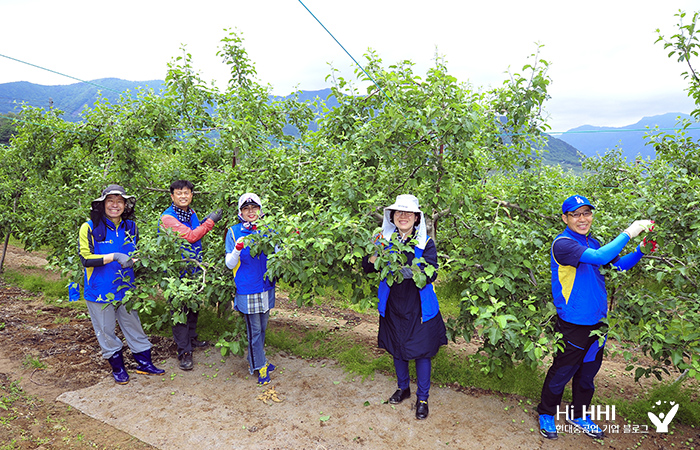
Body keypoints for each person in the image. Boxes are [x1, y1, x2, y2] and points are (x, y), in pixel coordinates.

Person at [537, 195, 656, 440]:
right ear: (565, 218)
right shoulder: (563, 243)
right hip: (573, 322)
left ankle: (579, 415)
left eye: (586, 213)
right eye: (575, 214)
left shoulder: (595, 242)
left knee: (588, 373)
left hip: (598, 322)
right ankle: (546, 412)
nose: (582, 219)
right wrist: (629, 231)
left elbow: (618, 265)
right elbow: (601, 257)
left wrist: (641, 250)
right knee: (563, 370)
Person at [361, 194, 447, 420]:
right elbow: (368, 267)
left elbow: (432, 273)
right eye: (399, 212)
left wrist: (403, 270)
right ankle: (403, 388)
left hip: (419, 306)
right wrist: (373, 252)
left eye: (409, 213)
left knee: (422, 353)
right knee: (397, 348)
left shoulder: (425, 243)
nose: (403, 217)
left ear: (417, 218)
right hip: (393, 303)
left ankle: (423, 398)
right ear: (392, 217)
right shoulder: (384, 240)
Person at [78, 184, 164, 384]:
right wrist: (114, 256)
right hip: (100, 290)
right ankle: (118, 368)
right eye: (111, 201)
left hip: (126, 289)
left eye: (119, 201)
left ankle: (144, 363)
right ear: (103, 204)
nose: (115, 205)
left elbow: (135, 254)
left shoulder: (131, 227)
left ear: (125, 205)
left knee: (133, 325)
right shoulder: (90, 227)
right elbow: (86, 259)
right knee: (106, 330)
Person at [160, 180, 222, 371]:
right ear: (172, 196)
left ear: (191, 195)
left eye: (187, 193)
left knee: (193, 306)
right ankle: (184, 352)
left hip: (193, 270)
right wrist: (211, 221)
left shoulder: (191, 213)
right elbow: (191, 236)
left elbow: (195, 229)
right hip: (176, 272)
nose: (183, 196)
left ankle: (192, 340)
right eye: (179, 193)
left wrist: (205, 220)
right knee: (180, 311)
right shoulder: (167, 218)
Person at [225, 193, 277, 385]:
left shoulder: (268, 230)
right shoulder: (233, 232)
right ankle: (259, 366)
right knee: (254, 330)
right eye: (246, 209)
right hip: (247, 288)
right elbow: (230, 264)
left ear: (260, 210)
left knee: (263, 327)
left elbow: (279, 254)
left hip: (266, 285)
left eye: (254, 208)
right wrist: (237, 249)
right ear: (240, 212)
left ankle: (257, 358)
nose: (250, 212)